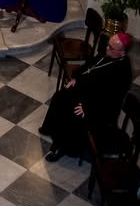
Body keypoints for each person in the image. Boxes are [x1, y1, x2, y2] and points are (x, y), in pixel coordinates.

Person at [39, 32, 133, 162]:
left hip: (99, 107)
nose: (107, 49)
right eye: (108, 45)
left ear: (122, 52)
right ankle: (49, 128)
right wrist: (76, 78)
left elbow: (111, 99)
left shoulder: (123, 72)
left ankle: (62, 147)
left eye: (111, 48)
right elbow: (90, 65)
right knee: (60, 96)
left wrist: (88, 108)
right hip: (86, 90)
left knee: (74, 113)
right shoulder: (107, 53)